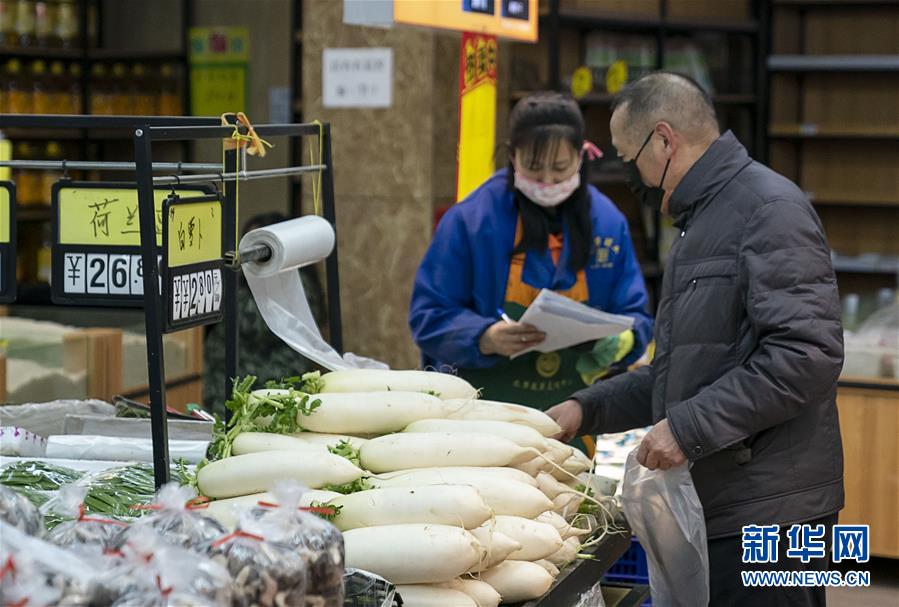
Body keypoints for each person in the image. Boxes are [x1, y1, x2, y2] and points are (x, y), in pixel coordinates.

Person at [546, 73, 844, 606]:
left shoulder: (769, 210)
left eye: (627, 156)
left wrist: (685, 429)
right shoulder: (701, 223)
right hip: (732, 504)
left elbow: (807, 357)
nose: (627, 174)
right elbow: (683, 375)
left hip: (778, 522)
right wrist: (582, 410)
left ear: (663, 140)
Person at [409, 92, 653, 455]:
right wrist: (483, 337)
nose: (548, 180)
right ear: (511, 155)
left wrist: (617, 343)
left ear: (582, 156)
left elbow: (637, 318)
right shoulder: (472, 221)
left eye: (560, 167)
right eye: (534, 167)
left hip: (571, 420)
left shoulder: (606, 222)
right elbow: (428, 318)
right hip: (481, 418)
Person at [203, 212, 325, 415]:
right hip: (227, 383)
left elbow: (252, 324)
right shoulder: (246, 279)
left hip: (268, 384)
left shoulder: (294, 284)